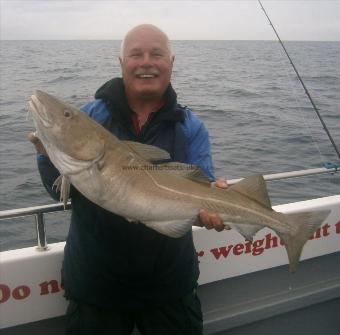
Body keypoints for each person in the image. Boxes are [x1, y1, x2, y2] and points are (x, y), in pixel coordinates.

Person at [28, 24, 228, 335]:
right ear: (122, 64)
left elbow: (203, 188)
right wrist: (48, 153)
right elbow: (61, 195)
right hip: (96, 286)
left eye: (156, 54)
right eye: (135, 54)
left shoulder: (191, 127)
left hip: (169, 287)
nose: (146, 61)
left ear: (171, 63)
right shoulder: (91, 115)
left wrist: (215, 202)